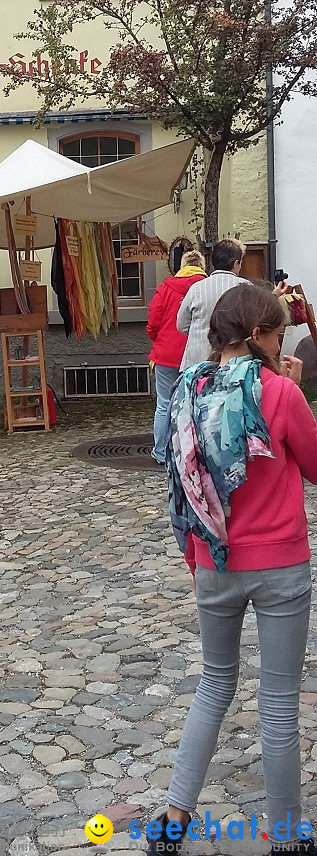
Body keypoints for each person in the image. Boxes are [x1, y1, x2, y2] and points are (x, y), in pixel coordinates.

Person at [147, 283, 317, 856]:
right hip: (280, 565)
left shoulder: (188, 393)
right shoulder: (279, 393)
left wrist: (195, 556)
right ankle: (287, 837)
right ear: (262, 336)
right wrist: (293, 390)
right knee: (277, 702)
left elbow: (181, 479)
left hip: (213, 561)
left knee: (214, 684)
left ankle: (173, 818)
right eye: (279, 332)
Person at [146, 250, 207, 464]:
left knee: (164, 404)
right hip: (199, 356)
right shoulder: (206, 287)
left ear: (181, 266)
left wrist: (158, 338)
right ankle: (194, 452)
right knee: (196, 404)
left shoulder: (166, 287)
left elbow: (153, 320)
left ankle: (161, 451)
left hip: (166, 354)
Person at [177, 238, 246, 369]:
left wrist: (198, 333)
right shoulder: (245, 288)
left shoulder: (196, 288)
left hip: (196, 361)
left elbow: (181, 324)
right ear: (236, 263)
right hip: (234, 363)